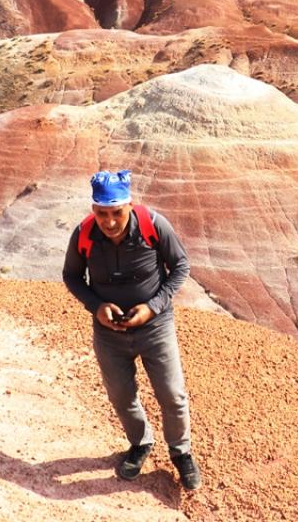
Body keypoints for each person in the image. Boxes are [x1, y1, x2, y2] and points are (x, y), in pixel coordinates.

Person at [61, 169, 202, 491]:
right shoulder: (83, 234)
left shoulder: (153, 225)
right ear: (93, 209)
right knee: (122, 396)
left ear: (129, 205)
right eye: (101, 213)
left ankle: (181, 453)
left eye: (116, 213)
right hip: (109, 334)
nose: (109, 222)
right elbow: (71, 276)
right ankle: (140, 443)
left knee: (173, 396)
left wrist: (153, 306)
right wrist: (96, 307)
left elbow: (180, 266)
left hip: (155, 327)